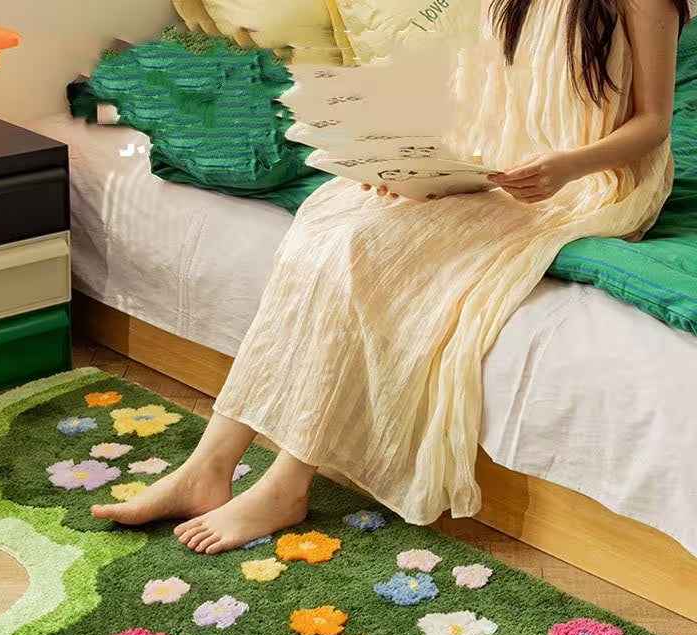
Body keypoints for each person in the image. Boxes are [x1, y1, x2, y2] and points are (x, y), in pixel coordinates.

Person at [92, 0, 690, 554]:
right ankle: (209, 467)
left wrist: (565, 166)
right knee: (327, 222)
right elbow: (475, 92)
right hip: (496, 164)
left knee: (370, 250)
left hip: (588, 183)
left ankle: (285, 485)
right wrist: (406, 164)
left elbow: (653, 122)